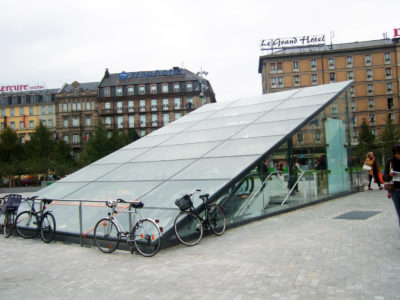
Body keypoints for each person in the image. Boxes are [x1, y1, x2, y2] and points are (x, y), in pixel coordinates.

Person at [383, 144, 400, 230]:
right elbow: (384, 177)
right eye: (397, 153)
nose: (399, 155)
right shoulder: (390, 162)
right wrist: (390, 175)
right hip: (396, 191)